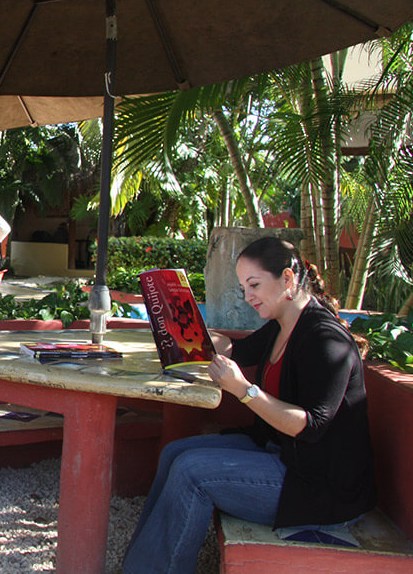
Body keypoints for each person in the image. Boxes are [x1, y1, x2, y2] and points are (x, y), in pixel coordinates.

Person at [123, 237, 376, 574]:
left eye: (254, 285)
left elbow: (309, 426)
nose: (247, 297)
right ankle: (143, 566)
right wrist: (189, 331)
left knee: (192, 472)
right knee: (174, 453)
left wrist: (244, 390)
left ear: (287, 279)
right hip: (279, 453)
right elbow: (234, 351)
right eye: (244, 287)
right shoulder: (280, 326)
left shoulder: (325, 339)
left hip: (317, 486)